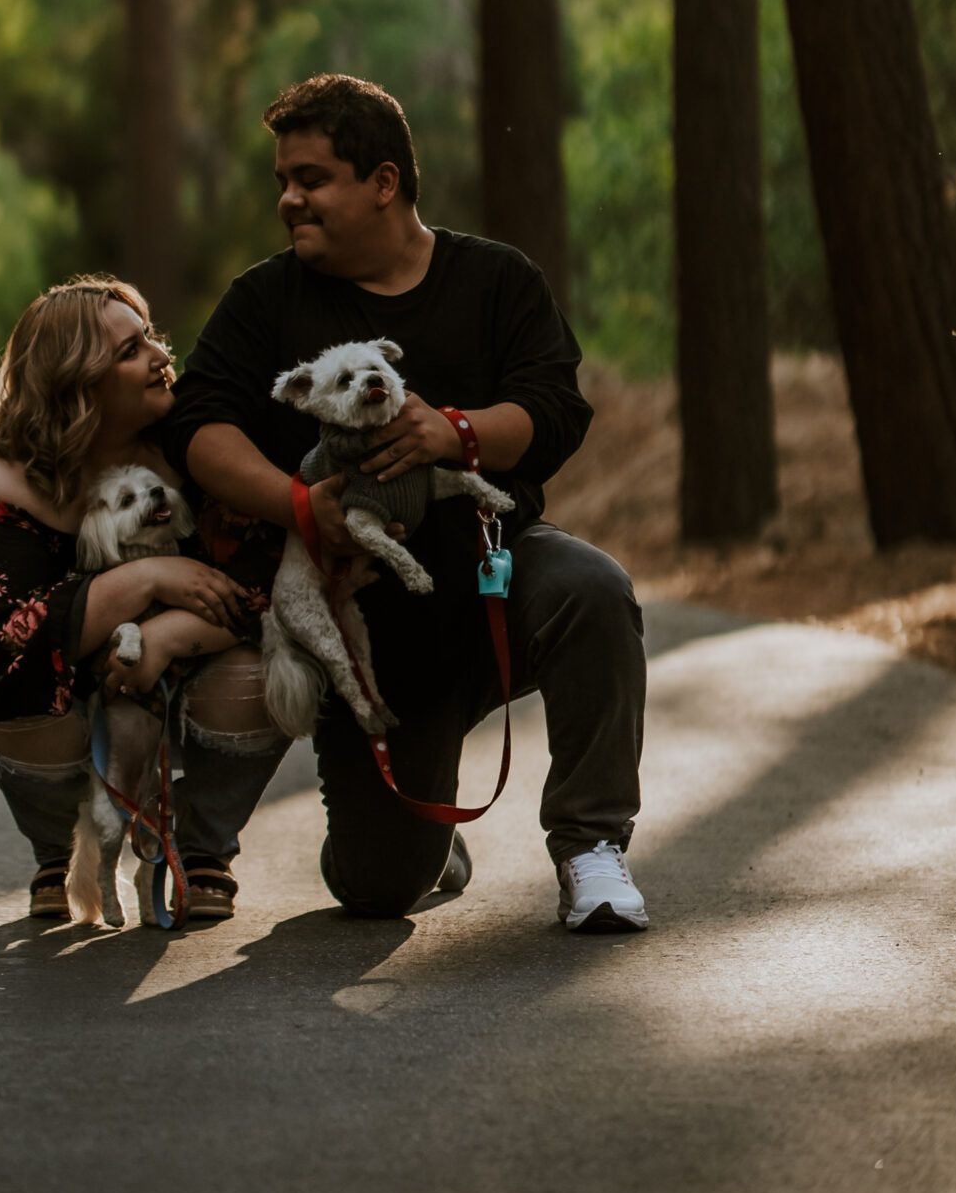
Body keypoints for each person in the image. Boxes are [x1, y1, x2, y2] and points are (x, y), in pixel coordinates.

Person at [161, 72, 648, 931]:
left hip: (496, 581)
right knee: (377, 888)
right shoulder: (265, 299)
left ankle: (590, 849)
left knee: (592, 588)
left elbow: (555, 409)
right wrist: (299, 506)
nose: (289, 199)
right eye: (283, 180)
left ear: (383, 182)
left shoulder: (496, 280)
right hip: (374, 635)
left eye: (310, 179)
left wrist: (452, 435)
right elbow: (199, 427)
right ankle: (420, 838)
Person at [0, 276, 286, 924]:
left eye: (152, 339)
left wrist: (164, 637)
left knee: (266, 667)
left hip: (193, 671)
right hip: (78, 693)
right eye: (131, 350)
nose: (163, 357)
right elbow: (4, 647)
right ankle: (61, 851)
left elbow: (268, 584)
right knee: (18, 696)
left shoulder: (198, 441)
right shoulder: (5, 482)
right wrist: (143, 581)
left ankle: (201, 847)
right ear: (77, 382)